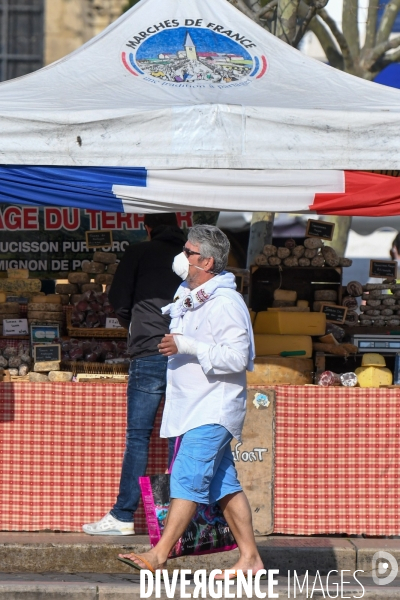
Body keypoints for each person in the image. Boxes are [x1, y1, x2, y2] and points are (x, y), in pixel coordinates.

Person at [118, 225, 265, 577]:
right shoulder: (190, 294)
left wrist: (188, 347)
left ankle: (159, 554)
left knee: (186, 476)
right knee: (222, 485)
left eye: (188, 252)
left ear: (207, 261)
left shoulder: (226, 303)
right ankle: (251, 558)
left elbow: (238, 356)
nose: (181, 257)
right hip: (191, 405)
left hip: (213, 406)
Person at [82, 213, 186, 535]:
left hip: (149, 351)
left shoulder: (140, 252)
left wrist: (137, 323)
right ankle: (175, 523)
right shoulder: (191, 256)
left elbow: (118, 299)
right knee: (176, 439)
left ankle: (123, 516)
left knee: (138, 436)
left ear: (147, 227)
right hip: (184, 355)